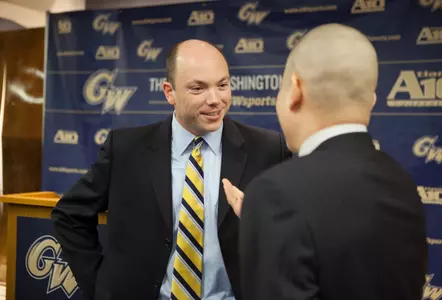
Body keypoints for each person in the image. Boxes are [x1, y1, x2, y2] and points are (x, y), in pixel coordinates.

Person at [51, 39, 291, 300]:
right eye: (198, 88)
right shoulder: (126, 149)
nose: (215, 99)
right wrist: (100, 285)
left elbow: (296, 233)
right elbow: (69, 214)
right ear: (169, 92)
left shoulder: (268, 149)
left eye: (222, 85)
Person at [224, 23, 428, 299]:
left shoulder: (277, 194)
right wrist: (263, 220)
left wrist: (267, 212)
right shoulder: (400, 182)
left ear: (295, 90)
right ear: (371, 99)